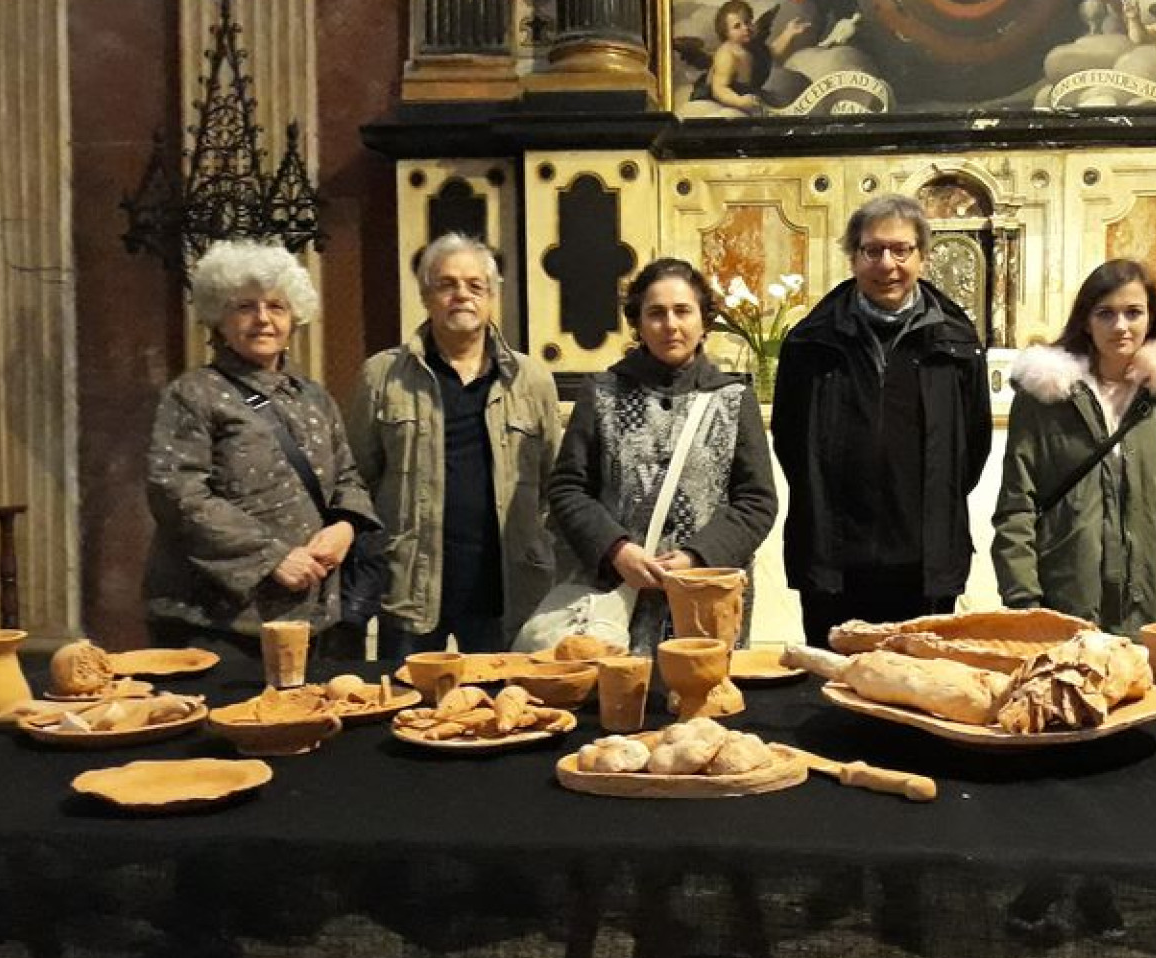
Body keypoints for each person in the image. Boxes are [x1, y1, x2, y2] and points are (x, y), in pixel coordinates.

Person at [773, 194, 992, 647]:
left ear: (923, 257)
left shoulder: (957, 341)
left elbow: (972, 446)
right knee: (834, 693)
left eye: (901, 250)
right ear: (853, 257)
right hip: (834, 559)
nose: (886, 263)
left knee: (919, 695)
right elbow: (791, 442)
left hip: (925, 561)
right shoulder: (811, 342)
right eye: (872, 250)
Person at [144, 240, 378, 660]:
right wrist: (272, 557)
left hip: (311, 615)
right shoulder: (193, 394)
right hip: (216, 623)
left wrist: (345, 526)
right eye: (246, 307)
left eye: (277, 307)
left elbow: (347, 477)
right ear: (219, 318)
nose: (263, 320)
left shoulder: (313, 397)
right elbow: (177, 493)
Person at [545, 258, 778, 654]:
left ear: (704, 320)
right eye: (656, 313)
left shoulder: (734, 399)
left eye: (683, 311)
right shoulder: (602, 393)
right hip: (614, 595)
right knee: (619, 709)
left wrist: (697, 556)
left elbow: (756, 501)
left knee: (701, 706)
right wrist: (615, 550)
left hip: (705, 599)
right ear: (638, 322)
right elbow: (568, 488)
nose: (670, 325)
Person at [346, 234, 562, 662]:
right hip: (409, 588)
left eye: (475, 285)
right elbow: (355, 478)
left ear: (492, 297)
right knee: (406, 709)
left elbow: (555, 481)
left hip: (507, 590)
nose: (461, 294)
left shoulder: (531, 379)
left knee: (509, 714)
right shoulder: (383, 376)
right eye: (447, 284)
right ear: (426, 296)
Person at [992, 259, 1156, 635]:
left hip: (1149, 609)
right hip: (1065, 604)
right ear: (1085, 320)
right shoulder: (1044, 397)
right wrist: (1024, 603)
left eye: (1133, 313)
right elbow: (1017, 506)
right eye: (1106, 313)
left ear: (1151, 318)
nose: (1121, 326)